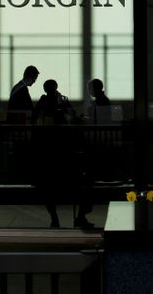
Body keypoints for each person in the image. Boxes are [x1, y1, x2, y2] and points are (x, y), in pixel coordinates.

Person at [31, 79, 93, 229]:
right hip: (63, 145)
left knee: (48, 186)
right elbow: (72, 113)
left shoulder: (44, 102)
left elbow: (34, 116)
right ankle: (79, 218)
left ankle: (54, 218)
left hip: (49, 146)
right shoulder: (61, 101)